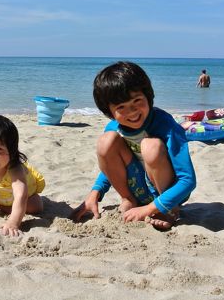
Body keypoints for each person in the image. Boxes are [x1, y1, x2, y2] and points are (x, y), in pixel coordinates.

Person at [71, 61, 196, 229]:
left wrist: (151, 208)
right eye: (121, 107)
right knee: (105, 142)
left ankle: (168, 210)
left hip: (169, 191)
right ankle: (128, 199)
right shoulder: (114, 128)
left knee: (150, 146)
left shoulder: (166, 126)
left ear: (148, 96)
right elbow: (110, 167)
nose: (132, 111)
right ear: (109, 112)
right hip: (139, 188)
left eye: (137, 100)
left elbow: (187, 180)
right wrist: (95, 193)